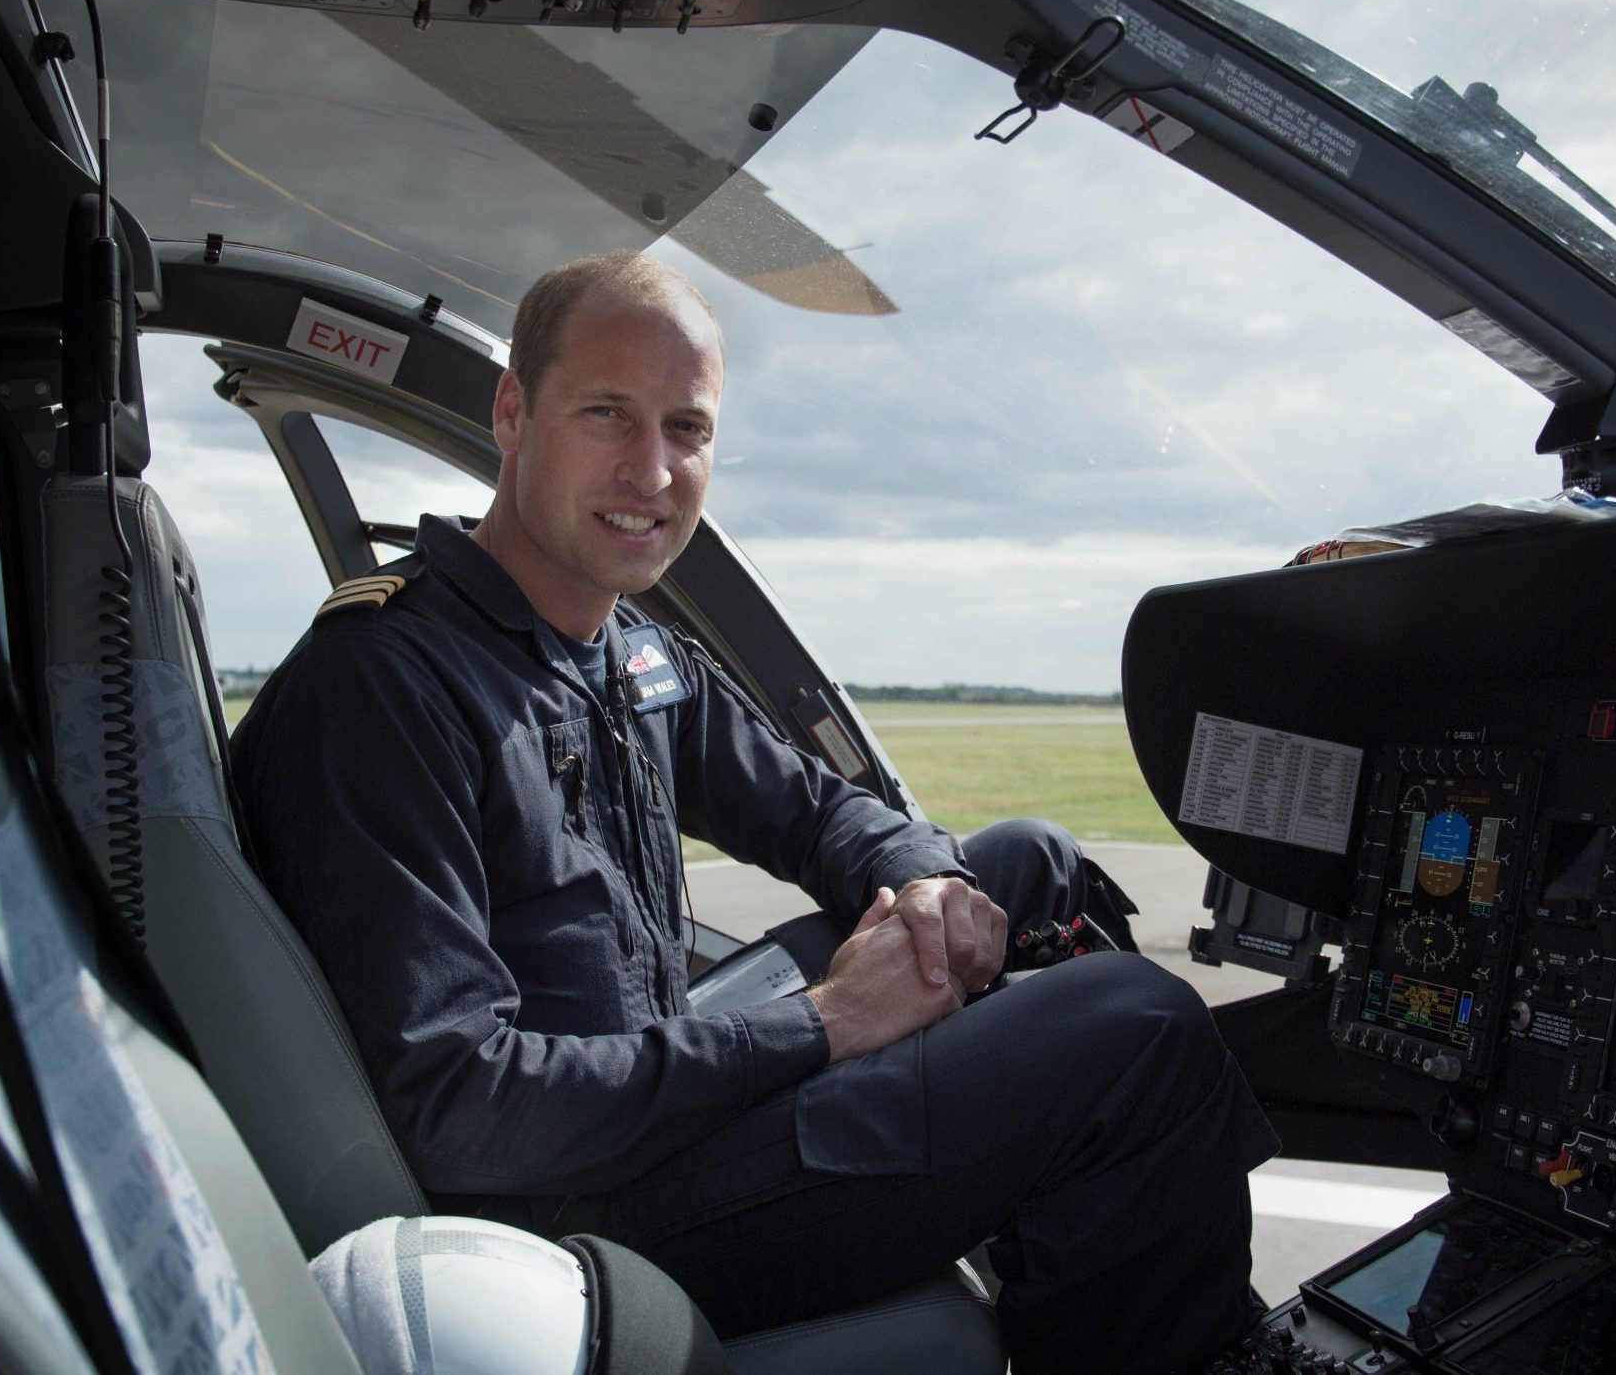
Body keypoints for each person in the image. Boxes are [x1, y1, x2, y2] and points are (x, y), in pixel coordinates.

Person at [231, 251, 1276, 1373]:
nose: (652, 470)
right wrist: (826, 1024)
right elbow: (458, 1105)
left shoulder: (629, 653)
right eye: (607, 414)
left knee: (1028, 866)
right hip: (574, 1213)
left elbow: (820, 813)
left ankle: (1085, 1247)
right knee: (1135, 1027)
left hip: (662, 1101)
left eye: (686, 429)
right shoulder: (385, 686)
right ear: (513, 413)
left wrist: (929, 882)